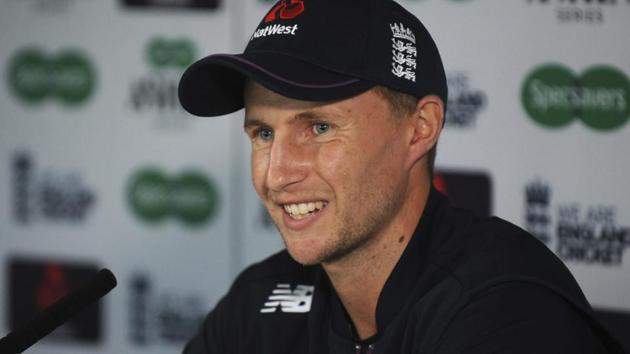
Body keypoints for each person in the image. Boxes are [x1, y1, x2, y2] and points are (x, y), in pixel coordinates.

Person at [177, 0, 625, 353]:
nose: (277, 174)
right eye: (263, 133)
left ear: (420, 129)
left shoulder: (506, 309)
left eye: (319, 128)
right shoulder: (257, 302)